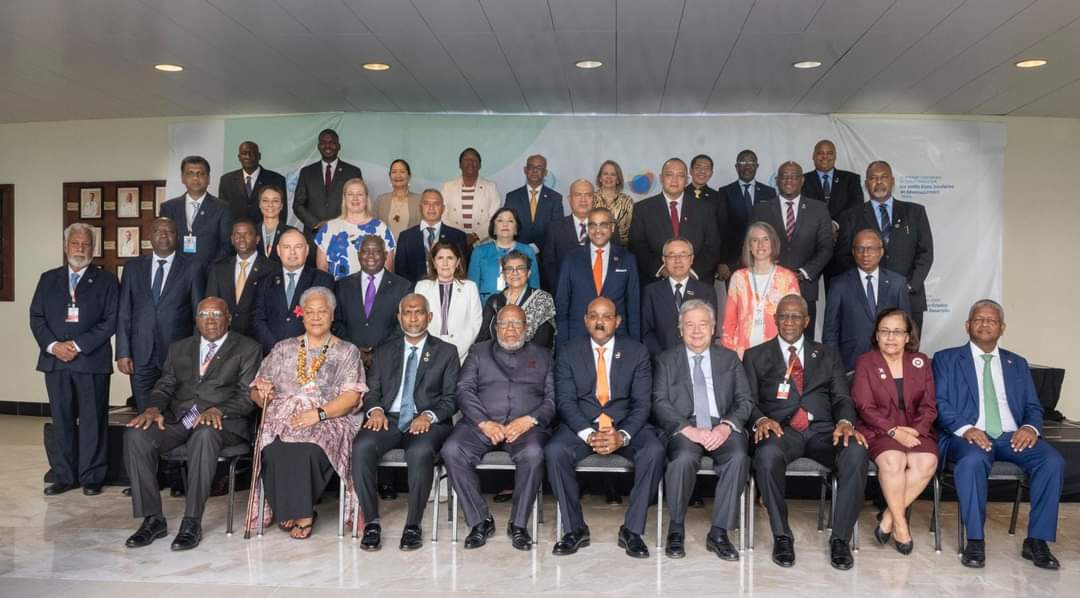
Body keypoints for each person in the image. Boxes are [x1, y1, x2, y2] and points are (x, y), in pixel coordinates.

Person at [933, 300, 1065, 570]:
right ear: (967, 325)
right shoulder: (945, 359)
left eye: (991, 320)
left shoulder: (1016, 363)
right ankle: (975, 540)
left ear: (1002, 327)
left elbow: (1032, 406)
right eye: (978, 319)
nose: (984, 324)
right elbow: (940, 403)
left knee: (1052, 461)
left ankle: (1037, 540)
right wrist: (966, 429)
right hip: (966, 436)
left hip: (1011, 436)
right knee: (972, 461)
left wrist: (1030, 428)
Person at [123, 297, 261, 550]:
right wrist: (153, 409)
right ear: (196, 320)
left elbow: (247, 395)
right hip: (181, 420)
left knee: (204, 434)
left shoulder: (247, 348)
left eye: (217, 314)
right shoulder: (179, 348)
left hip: (224, 424)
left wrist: (218, 410)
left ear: (228, 318)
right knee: (136, 434)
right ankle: (153, 519)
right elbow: (164, 386)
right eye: (204, 314)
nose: (210, 320)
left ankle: (192, 521)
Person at [743, 294, 868, 570]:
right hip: (782, 431)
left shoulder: (827, 354)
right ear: (775, 320)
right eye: (784, 316)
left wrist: (845, 422)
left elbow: (841, 398)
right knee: (765, 456)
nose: (789, 322)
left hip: (824, 430)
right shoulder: (755, 355)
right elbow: (747, 401)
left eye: (795, 316)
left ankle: (840, 539)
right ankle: (782, 536)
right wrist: (761, 418)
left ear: (807, 320)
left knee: (856, 452)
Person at [546, 297, 662, 558]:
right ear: (586, 320)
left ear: (617, 321)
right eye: (594, 316)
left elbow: (642, 404)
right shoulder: (568, 351)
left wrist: (622, 436)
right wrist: (588, 435)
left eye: (606, 316)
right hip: (582, 424)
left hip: (625, 423)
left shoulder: (637, 351)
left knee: (654, 450)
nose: (600, 322)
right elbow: (564, 401)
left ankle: (632, 530)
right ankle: (574, 529)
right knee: (554, 451)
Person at [248, 287, 366, 540]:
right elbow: (256, 393)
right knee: (273, 448)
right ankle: (286, 506)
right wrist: (263, 392)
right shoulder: (283, 348)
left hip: (330, 418)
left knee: (307, 448)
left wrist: (319, 414)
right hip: (283, 418)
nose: (315, 317)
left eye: (322, 311)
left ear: (332, 315)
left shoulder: (347, 351)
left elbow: (351, 397)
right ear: (301, 315)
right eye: (309, 312)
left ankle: (302, 513)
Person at [440, 304, 555, 551]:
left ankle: (519, 524)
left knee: (534, 454)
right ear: (495, 328)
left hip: (526, 428)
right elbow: (464, 389)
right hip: (481, 424)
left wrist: (530, 420)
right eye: (504, 323)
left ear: (527, 327)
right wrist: (484, 422)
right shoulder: (479, 352)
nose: (510, 329)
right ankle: (480, 521)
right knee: (452, 450)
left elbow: (552, 400)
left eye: (516, 324)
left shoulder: (544, 355)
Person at [352, 294, 459, 551]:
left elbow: (452, 398)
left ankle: (413, 524)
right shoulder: (385, 350)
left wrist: (428, 416)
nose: (413, 317)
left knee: (419, 451)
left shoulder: (446, 352)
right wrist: (375, 410)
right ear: (399, 317)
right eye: (407, 312)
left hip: (427, 421)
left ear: (429, 317)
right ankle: (372, 523)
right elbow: (372, 391)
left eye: (419, 312)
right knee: (361, 446)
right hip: (388, 419)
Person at [652, 300, 754, 560]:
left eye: (702, 324)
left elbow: (745, 401)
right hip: (685, 427)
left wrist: (725, 426)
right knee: (683, 459)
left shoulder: (729, 358)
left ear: (713, 328)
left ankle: (719, 532)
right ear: (680, 329)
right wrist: (688, 429)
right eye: (689, 325)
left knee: (738, 457)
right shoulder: (666, 360)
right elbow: (659, 402)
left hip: (722, 425)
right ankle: (676, 528)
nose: (696, 331)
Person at [31, 223, 119, 496]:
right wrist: (55, 346)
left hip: (91, 361)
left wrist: (78, 345)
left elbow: (111, 321)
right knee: (62, 419)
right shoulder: (48, 279)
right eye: (75, 243)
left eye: (86, 244)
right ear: (66, 246)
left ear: (93, 249)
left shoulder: (106, 280)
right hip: (56, 362)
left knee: (93, 420)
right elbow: (36, 317)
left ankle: (92, 477)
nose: (80, 249)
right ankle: (64, 475)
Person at [851, 309, 937, 555]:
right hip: (878, 428)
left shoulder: (920, 361)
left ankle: (888, 517)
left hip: (915, 428)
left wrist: (916, 430)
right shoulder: (866, 362)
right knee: (893, 460)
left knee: (926, 462)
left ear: (908, 336)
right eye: (885, 331)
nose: (891, 337)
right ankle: (901, 526)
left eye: (898, 332)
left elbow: (929, 406)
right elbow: (864, 406)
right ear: (876, 335)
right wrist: (892, 431)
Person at [117, 217, 206, 410]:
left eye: (169, 231)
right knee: (144, 411)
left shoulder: (192, 267)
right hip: (141, 356)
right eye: (158, 231)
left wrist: (197, 354)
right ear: (150, 236)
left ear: (178, 237)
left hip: (178, 356)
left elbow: (198, 315)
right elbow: (124, 312)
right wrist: (123, 352)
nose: (163, 235)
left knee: (174, 413)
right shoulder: (133, 268)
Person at [836, 160, 934, 331]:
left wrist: (910, 285)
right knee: (869, 354)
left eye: (884, 177)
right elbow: (843, 256)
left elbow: (925, 253)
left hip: (909, 296)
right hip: (866, 298)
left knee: (908, 352)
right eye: (873, 178)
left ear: (892, 181)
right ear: (866, 183)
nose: (879, 182)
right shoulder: (850, 216)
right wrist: (865, 283)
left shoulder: (915, 212)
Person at [751, 162, 833, 341]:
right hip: (768, 285)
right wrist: (772, 272)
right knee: (768, 339)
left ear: (802, 180)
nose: (789, 180)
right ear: (778, 180)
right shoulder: (761, 209)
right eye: (784, 176)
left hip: (805, 287)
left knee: (804, 341)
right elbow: (753, 245)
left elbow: (826, 247)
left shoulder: (818, 209)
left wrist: (804, 273)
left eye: (794, 176)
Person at [823, 229, 911, 372]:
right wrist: (834, 368)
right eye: (860, 249)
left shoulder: (897, 283)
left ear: (881, 252)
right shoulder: (839, 284)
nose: (865, 254)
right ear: (853, 252)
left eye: (871, 248)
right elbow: (830, 332)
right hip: (851, 364)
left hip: (891, 362)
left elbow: (907, 326)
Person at [555, 207, 640, 346]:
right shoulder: (571, 258)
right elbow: (562, 303)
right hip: (577, 336)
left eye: (603, 225)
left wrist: (635, 344)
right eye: (593, 225)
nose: (597, 230)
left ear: (612, 228)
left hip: (618, 336)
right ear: (587, 229)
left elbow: (633, 306)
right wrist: (562, 342)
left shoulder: (627, 259)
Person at [629, 158, 720, 285]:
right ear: (661, 178)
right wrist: (662, 269)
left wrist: (691, 272)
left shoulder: (705, 209)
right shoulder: (642, 209)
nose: (674, 180)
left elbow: (712, 246)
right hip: (656, 283)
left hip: (697, 282)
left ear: (687, 180)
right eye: (669, 175)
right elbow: (638, 246)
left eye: (680, 175)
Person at [721, 222, 801, 359]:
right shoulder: (738, 277)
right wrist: (730, 352)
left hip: (777, 354)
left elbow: (795, 320)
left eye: (765, 239)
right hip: (742, 352)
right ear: (749, 246)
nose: (760, 244)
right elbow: (729, 321)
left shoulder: (787, 278)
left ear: (773, 244)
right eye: (755, 240)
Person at [334, 235, 413, 370]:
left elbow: (403, 326)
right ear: (359, 255)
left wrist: (378, 352)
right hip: (348, 361)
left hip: (388, 362)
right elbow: (336, 323)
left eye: (376, 251)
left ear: (386, 255)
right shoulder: (342, 286)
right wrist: (354, 350)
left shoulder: (403, 286)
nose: (370, 256)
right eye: (365, 251)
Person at [252, 229, 335, 355]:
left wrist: (301, 347)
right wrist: (276, 348)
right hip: (271, 354)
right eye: (286, 247)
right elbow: (258, 319)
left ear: (307, 250)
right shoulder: (265, 281)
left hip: (311, 355)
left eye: (298, 247)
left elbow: (327, 319)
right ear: (279, 251)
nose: (292, 252)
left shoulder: (323, 280)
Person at [641, 238, 717, 356]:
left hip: (696, 359)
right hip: (661, 361)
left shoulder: (706, 291)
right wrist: (664, 358)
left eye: (683, 255)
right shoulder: (651, 291)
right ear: (664, 260)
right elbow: (647, 332)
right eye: (671, 256)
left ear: (691, 259)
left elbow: (710, 328)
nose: (678, 260)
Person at [414, 241, 482, 363]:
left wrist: (454, 351)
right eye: (440, 258)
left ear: (458, 262)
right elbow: (418, 321)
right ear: (434, 262)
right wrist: (433, 350)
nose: (445, 263)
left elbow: (475, 324)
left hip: (461, 355)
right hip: (429, 354)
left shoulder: (470, 287)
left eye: (450, 258)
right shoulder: (421, 287)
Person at [314, 178, 396, 280]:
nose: (355, 198)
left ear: (366, 198)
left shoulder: (381, 228)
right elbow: (322, 268)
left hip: (371, 292)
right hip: (336, 291)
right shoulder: (329, 228)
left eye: (360, 194)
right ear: (344, 198)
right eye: (350, 194)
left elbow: (387, 268)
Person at [160, 155, 234, 267]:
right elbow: (163, 244)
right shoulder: (168, 208)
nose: (195, 178)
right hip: (176, 273)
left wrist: (213, 270)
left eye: (200, 174)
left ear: (208, 178)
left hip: (210, 274)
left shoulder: (222, 208)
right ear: (182, 178)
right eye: (190, 173)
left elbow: (226, 245)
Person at [206, 220, 273, 337]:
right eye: (237, 234)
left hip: (257, 339)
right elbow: (211, 304)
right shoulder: (218, 268)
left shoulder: (271, 269)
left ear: (257, 239)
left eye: (247, 234)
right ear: (232, 239)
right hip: (224, 337)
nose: (241, 238)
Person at [718, 149, 777, 280]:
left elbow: (773, 228)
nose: (747, 166)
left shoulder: (769, 192)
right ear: (736, 166)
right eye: (743, 162)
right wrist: (723, 261)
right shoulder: (725, 192)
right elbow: (722, 229)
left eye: (751, 162)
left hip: (763, 257)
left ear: (757, 166)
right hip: (732, 262)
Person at [477, 250, 554, 349]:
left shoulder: (543, 299)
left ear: (529, 273)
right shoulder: (494, 301)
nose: (515, 273)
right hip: (495, 360)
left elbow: (544, 339)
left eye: (520, 268)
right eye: (509, 269)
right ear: (504, 275)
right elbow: (483, 338)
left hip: (531, 360)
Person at [292, 128, 364, 232]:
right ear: (318, 147)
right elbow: (298, 204)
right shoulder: (306, 172)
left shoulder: (353, 172)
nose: (327, 146)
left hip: (344, 232)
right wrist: (316, 224)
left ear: (339, 146)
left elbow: (358, 203)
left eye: (332, 143)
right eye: (323, 143)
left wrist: (337, 224)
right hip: (314, 234)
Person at [394, 189, 468, 284]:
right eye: (426, 203)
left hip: (449, 292)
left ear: (443, 208)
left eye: (436, 204)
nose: (431, 208)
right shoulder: (406, 237)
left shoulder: (458, 236)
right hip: (415, 293)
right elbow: (400, 272)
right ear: (420, 208)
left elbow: (462, 270)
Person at [467, 208, 540, 303]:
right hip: (485, 307)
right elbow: (472, 286)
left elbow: (534, 285)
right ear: (493, 228)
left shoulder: (527, 250)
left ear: (516, 228)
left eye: (510, 221)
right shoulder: (479, 251)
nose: (505, 224)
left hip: (520, 308)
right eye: (500, 220)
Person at [504, 154, 563, 254]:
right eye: (531, 167)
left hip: (545, 254)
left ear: (545, 172)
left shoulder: (555, 198)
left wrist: (537, 247)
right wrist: (519, 247)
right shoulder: (512, 197)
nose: (535, 170)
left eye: (539, 167)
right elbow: (507, 226)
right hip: (516, 252)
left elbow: (556, 229)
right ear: (525, 170)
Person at [441, 147, 500, 247]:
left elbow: (495, 217)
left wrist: (475, 236)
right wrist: (458, 236)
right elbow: (443, 215)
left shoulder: (491, 187)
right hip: (454, 242)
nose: (470, 163)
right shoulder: (448, 187)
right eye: (466, 160)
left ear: (480, 165)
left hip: (483, 242)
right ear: (460, 165)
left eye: (474, 160)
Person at [217, 141, 288, 223]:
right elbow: (223, 212)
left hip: (266, 233)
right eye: (244, 153)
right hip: (237, 233)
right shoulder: (226, 180)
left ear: (259, 156)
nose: (248, 156)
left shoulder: (277, 179)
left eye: (252, 153)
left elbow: (282, 212)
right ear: (239, 157)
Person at [542, 178, 593, 293]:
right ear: (570, 199)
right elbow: (549, 265)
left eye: (588, 195)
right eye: (578, 195)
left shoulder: (606, 228)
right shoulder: (554, 228)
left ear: (594, 198)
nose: (583, 199)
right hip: (563, 295)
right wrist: (560, 291)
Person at [801, 139, 863, 222]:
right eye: (820, 153)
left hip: (844, 231)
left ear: (835, 156)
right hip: (812, 231)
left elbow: (856, 207)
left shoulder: (851, 179)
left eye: (829, 153)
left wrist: (835, 224)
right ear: (813, 156)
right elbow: (801, 208)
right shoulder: (802, 180)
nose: (825, 157)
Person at [374, 159, 421, 241]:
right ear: (390, 176)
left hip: (410, 251)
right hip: (386, 251)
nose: (398, 175)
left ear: (409, 176)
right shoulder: (381, 200)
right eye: (394, 172)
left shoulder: (419, 200)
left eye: (402, 172)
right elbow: (373, 228)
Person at [592, 160, 635, 246]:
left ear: (618, 179)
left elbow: (632, 230)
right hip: (594, 247)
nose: (609, 177)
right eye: (605, 174)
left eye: (613, 174)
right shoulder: (591, 198)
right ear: (600, 178)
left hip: (621, 249)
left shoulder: (627, 201)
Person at [254, 184, 300, 263]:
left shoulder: (293, 233)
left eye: (275, 201)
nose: (270, 205)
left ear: (281, 206)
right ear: (259, 204)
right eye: (265, 200)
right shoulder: (252, 232)